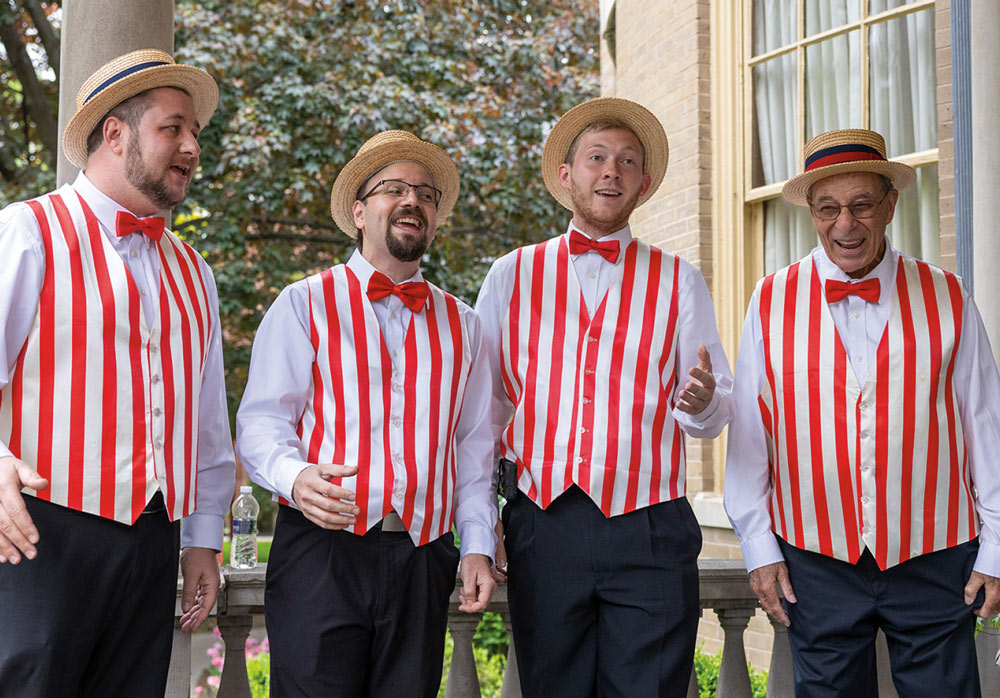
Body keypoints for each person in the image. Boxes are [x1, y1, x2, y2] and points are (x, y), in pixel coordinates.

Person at [724, 128, 1000, 697]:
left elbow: (986, 425)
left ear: (890, 204)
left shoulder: (949, 294)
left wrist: (996, 547)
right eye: (828, 209)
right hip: (814, 559)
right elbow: (753, 434)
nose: (844, 225)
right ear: (811, 213)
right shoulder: (769, 299)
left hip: (936, 551)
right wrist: (757, 544)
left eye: (861, 205)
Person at [475, 97, 733, 698]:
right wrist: (484, 525)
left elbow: (716, 408)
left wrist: (700, 404)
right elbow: (480, 418)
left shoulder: (680, 279)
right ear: (567, 175)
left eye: (626, 161)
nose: (611, 171)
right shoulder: (511, 276)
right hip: (543, 523)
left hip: (650, 524)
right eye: (596, 158)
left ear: (643, 183)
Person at [0, 49, 236, 696]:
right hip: (39, 536)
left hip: (153, 542)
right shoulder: (27, 232)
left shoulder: (195, 271)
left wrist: (202, 541)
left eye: (195, 133)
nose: (191, 145)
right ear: (114, 133)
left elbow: (207, 425)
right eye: (173, 127)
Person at [236, 130, 498, 698]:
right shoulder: (302, 304)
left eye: (426, 194)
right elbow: (260, 425)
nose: (412, 201)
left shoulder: (467, 325)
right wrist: (295, 475)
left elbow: (475, 452)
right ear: (359, 210)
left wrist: (477, 542)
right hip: (321, 553)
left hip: (423, 556)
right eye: (393, 189)